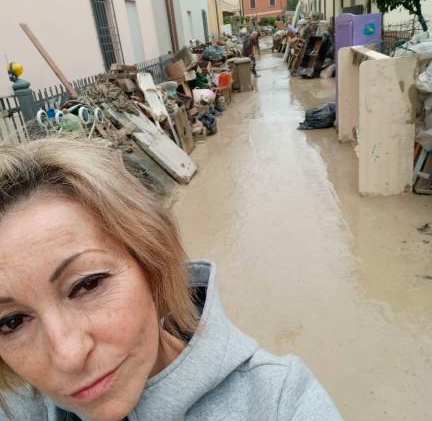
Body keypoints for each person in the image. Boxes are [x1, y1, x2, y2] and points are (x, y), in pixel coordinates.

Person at [0, 138, 342, 421]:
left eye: (87, 285)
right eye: (12, 322)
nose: (69, 355)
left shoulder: (279, 403)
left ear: (152, 263)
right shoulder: (18, 410)